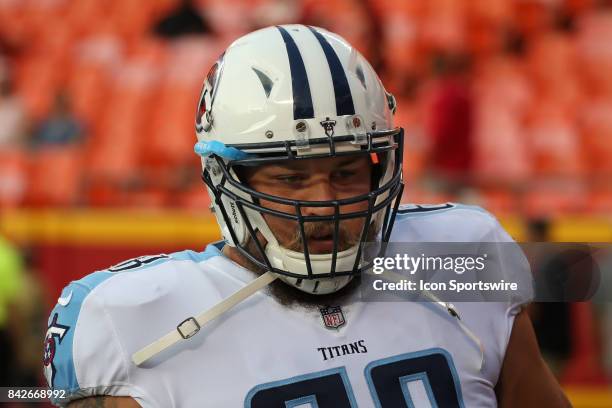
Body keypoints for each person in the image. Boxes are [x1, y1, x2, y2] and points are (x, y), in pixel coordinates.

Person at [43, 25, 570, 407]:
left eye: (345, 172)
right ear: (227, 179)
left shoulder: (459, 254)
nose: (323, 204)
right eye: (290, 178)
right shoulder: (131, 321)